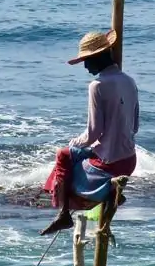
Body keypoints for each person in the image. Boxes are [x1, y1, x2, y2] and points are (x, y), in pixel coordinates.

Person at [40, 29, 139, 235]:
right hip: (129, 159)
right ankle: (109, 194)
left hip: (109, 162)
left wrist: (75, 142)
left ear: (98, 57)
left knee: (64, 154)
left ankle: (64, 213)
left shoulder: (97, 86)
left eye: (87, 60)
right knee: (72, 155)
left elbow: (93, 133)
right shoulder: (130, 81)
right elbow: (135, 126)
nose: (85, 66)